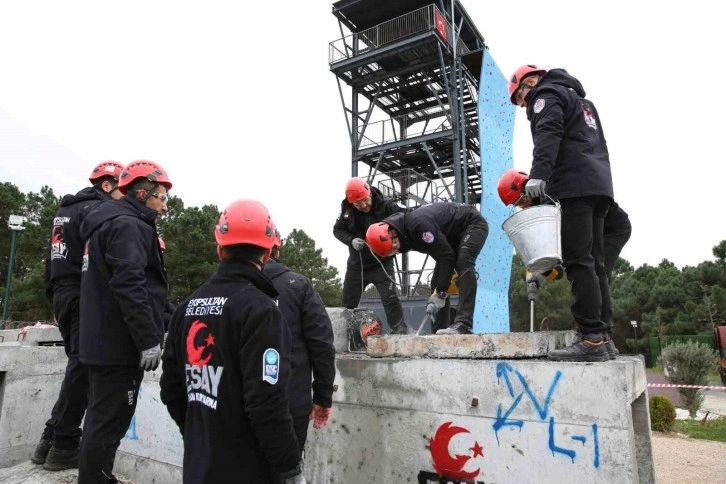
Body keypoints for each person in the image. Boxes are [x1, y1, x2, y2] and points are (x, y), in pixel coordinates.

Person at [159, 199, 305, 484]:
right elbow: (267, 401)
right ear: (267, 253)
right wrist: (290, 468)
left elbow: (171, 390)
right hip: (249, 469)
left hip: (200, 466)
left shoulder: (186, 308)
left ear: (219, 249)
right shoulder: (262, 312)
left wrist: (197, 436)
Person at [508, 64, 616, 362]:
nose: (524, 106)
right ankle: (604, 336)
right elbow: (599, 146)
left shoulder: (546, 94)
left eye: (521, 99)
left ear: (529, 82)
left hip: (573, 186)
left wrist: (539, 174)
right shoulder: (584, 103)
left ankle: (591, 338)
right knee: (596, 263)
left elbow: (548, 133)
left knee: (579, 261)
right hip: (598, 185)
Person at [77, 159, 172, 483]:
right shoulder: (128, 226)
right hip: (116, 347)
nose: (164, 204)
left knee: (100, 420)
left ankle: (97, 476)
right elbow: (130, 284)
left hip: (102, 341)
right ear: (143, 193)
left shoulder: (107, 224)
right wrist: (148, 339)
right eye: (161, 196)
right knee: (108, 423)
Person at [31, 161, 125, 470]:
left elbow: (51, 261)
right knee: (83, 369)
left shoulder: (65, 211)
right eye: (121, 189)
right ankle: (65, 443)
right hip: (82, 293)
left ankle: (49, 441)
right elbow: (98, 258)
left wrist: (55, 299)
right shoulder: (96, 210)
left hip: (62, 293)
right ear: (108, 185)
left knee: (78, 367)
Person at [497, 168, 632, 358]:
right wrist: (541, 273)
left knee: (592, 271)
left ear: (527, 189)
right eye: (517, 205)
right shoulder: (546, 206)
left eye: (521, 201)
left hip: (611, 230)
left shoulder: (551, 196)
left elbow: (564, 259)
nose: (523, 207)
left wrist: (542, 272)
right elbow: (558, 261)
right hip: (598, 228)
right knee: (586, 268)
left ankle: (596, 338)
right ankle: (601, 337)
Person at [263, 223, 335, 454]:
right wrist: (323, 398)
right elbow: (322, 345)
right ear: (276, 250)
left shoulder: (224, 288)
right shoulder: (298, 286)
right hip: (289, 403)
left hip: (232, 407)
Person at [365, 202, 489, 335]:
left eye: (393, 246)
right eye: (391, 252)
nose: (396, 251)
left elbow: (447, 257)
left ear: (392, 232)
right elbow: (444, 256)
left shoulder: (418, 226)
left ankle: (464, 323)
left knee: (463, 264)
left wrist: (441, 292)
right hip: (452, 237)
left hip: (472, 224)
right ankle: (440, 330)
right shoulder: (404, 234)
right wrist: (440, 288)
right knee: (437, 281)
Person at [334, 177, 409, 334]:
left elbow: (407, 217)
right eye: (357, 204)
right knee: (348, 303)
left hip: (382, 262)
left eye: (364, 200)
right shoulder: (346, 210)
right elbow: (337, 230)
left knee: (390, 297)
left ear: (369, 193)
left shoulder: (387, 205)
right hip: (357, 264)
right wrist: (351, 240)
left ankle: (400, 331)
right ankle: (348, 336)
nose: (362, 205)